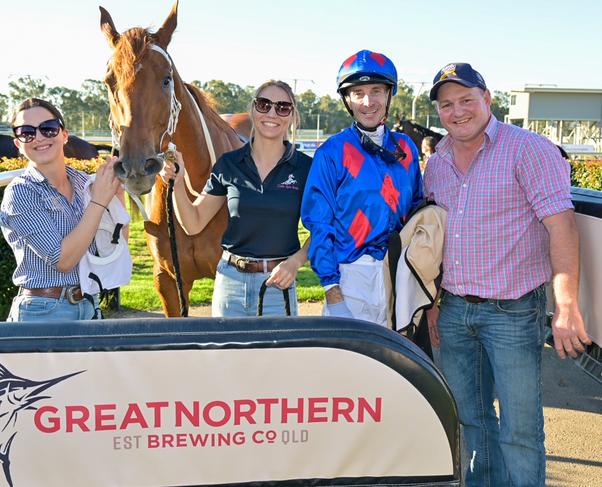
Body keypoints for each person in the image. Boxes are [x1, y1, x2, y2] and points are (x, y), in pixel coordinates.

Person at [424, 63, 591, 486]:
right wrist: (433, 305)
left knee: (519, 431)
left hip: (513, 313)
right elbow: (434, 240)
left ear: (488, 99)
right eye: (447, 104)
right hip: (455, 311)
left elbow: (562, 227)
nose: (457, 111)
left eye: (466, 100)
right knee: (471, 422)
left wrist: (566, 306)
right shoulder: (437, 162)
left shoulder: (529, 149)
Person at [161, 80, 311, 317]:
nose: (272, 113)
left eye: (282, 107)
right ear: (253, 109)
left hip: (278, 286)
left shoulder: (305, 168)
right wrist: (178, 185)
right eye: (264, 104)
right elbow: (193, 222)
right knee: (227, 355)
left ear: (292, 116)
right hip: (230, 284)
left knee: (276, 356)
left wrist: (295, 263)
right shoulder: (229, 164)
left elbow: (324, 229)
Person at [301, 50, 423, 326]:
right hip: (350, 278)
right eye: (358, 93)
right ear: (347, 99)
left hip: (398, 273)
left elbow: (416, 211)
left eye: (376, 91)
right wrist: (334, 294)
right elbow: (319, 224)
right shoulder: (332, 152)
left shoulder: (405, 148)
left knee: (393, 367)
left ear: (389, 95)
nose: (368, 102)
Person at [0, 98, 123, 321]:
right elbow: (63, 260)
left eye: (48, 128)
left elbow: (113, 243)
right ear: (18, 143)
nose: (38, 137)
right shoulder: (20, 193)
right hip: (42, 313)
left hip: (89, 305)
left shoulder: (83, 182)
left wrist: (116, 193)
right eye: (26, 132)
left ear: (64, 135)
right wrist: (99, 202)